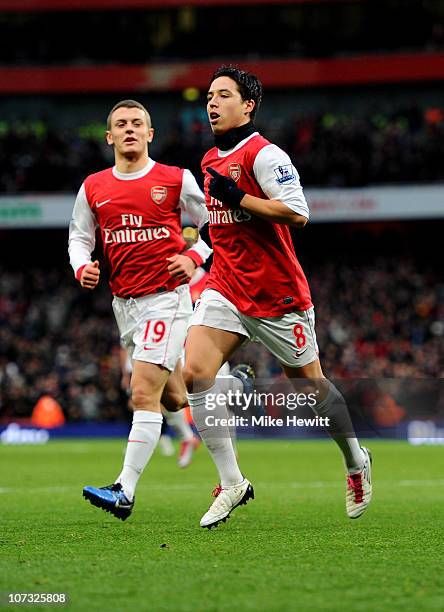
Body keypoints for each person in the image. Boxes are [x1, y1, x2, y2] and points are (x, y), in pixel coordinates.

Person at [182, 66, 372, 529]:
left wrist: (240, 197)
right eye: (209, 96)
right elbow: (220, 225)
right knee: (195, 372)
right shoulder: (208, 160)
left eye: (223, 95)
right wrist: (194, 250)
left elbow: (298, 214)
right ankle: (232, 483)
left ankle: (355, 460)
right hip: (226, 286)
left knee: (312, 389)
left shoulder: (266, 155)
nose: (212, 103)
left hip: (277, 295)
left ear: (247, 106)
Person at [68, 99, 211, 520]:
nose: (129, 129)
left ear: (150, 134)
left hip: (166, 299)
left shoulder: (174, 179)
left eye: (137, 123)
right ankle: (220, 391)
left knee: (141, 393)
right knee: (170, 394)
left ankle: (124, 490)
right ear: (109, 136)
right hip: (124, 305)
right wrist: (82, 266)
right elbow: (79, 237)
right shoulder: (93, 186)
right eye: (120, 124)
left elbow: (215, 226)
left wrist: (194, 258)